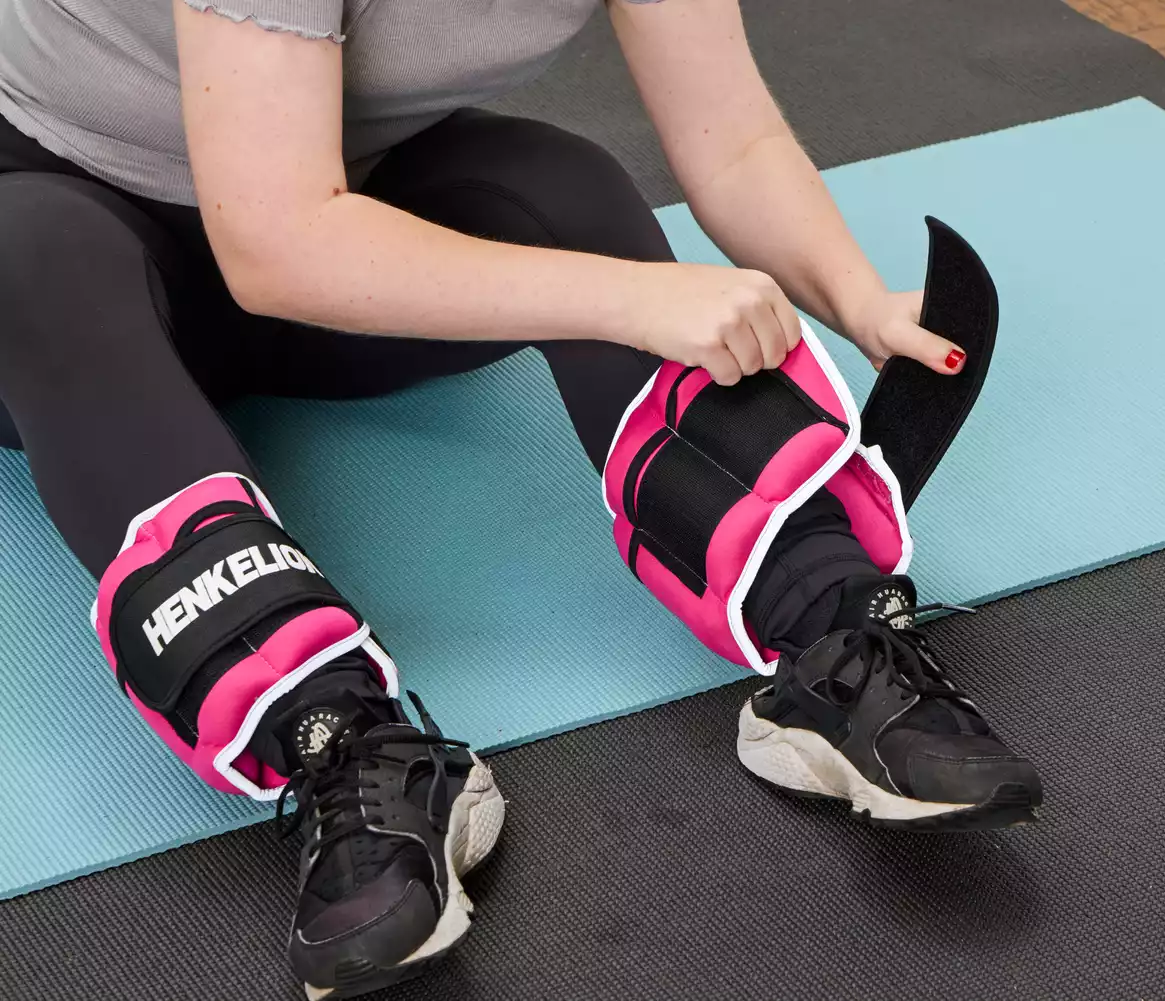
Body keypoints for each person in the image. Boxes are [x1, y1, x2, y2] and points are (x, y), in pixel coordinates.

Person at [0, 0, 1043, 996]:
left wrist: (858, 296)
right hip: (73, 254)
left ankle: (831, 628)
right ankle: (336, 744)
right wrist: (637, 298)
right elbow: (272, 246)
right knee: (31, 258)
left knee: (559, 183)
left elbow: (732, 143)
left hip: (337, 234)